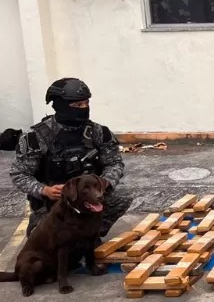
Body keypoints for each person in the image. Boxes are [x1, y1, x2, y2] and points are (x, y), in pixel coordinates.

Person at [9, 78, 130, 238]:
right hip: (54, 204)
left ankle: (88, 234)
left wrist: (105, 182)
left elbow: (114, 163)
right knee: (43, 243)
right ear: (60, 105)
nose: (84, 108)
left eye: (86, 103)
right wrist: (44, 190)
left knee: (120, 200)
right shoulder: (36, 137)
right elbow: (19, 174)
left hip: (89, 198)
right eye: (77, 105)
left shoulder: (98, 132)